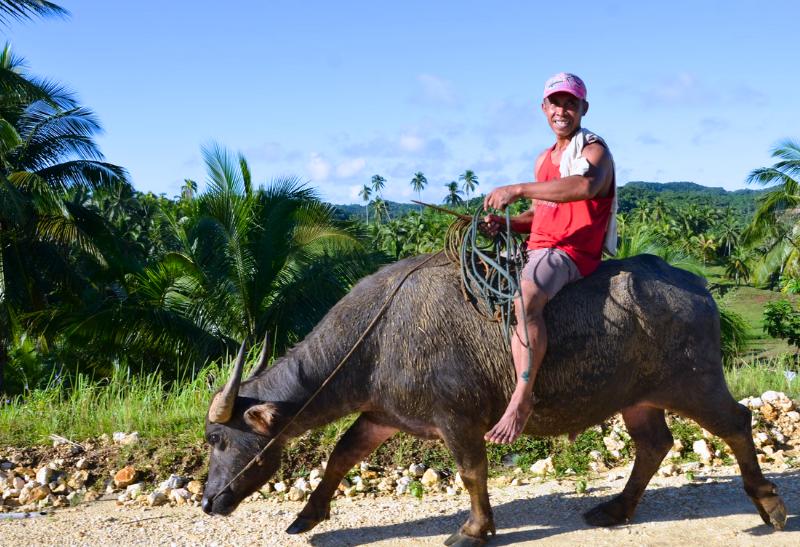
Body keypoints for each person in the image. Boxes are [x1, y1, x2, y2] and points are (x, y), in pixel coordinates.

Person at [482, 72, 616, 444]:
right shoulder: (545, 159)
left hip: (569, 251)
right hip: (538, 247)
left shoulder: (594, 151)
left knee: (525, 299)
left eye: (571, 103)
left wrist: (518, 188)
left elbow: (584, 186)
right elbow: (541, 216)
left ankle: (522, 399)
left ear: (583, 108)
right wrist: (507, 225)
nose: (563, 110)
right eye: (556, 103)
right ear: (544, 108)